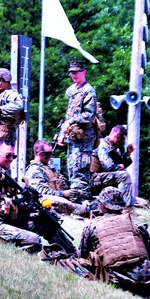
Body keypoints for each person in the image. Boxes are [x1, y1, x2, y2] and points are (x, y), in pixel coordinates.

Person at [57, 59, 98, 201]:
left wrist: (71, 121)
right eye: (72, 73)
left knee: (81, 170)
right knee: (72, 168)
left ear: (84, 72)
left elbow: (89, 115)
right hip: (73, 137)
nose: (74, 75)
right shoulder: (73, 90)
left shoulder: (88, 91)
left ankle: (83, 201)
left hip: (83, 138)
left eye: (76, 72)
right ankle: (76, 200)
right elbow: (69, 114)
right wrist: (63, 133)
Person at [25, 140, 80, 209]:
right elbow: (41, 192)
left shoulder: (48, 168)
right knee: (85, 209)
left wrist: (73, 192)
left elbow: (60, 183)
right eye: (48, 154)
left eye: (51, 153)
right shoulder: (34, 170)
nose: (51, 156)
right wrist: (63, 194)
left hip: (58, 202)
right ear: (40, 154)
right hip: (47, 205)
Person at [92, 125, 135, 207]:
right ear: (117, 136)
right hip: (95, 178)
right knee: (124, 176)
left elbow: (122, 163)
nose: (122, 141)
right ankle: (125, 208)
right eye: (122, 139)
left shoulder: (114, 148)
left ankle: (120, 204)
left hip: (103, 177)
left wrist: (128, 153)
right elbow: (108, 167)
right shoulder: (103, 145)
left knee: (123, 174)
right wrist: (120, 167)